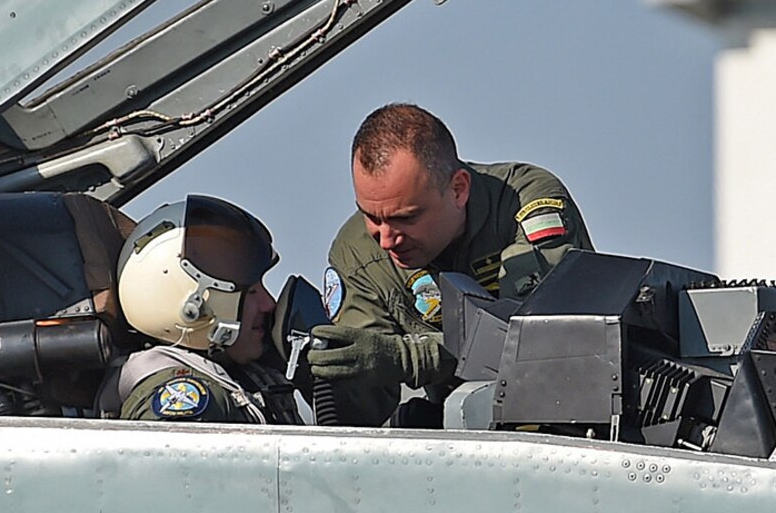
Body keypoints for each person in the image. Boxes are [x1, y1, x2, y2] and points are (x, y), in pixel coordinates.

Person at [309, 103, 592, 425]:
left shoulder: (521, 202)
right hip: (466, 437)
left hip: (574, 418)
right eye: (371, 216)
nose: (386, 239)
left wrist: (409, 358)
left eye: (406, 218)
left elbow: (534, 339)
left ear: (458, 189)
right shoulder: (359, 254)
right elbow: (364, 403)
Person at [109, 195, 302, 425]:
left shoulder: (240, 377)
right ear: (192, 309)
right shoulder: (186, 398)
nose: (268, 303)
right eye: (250, 292)